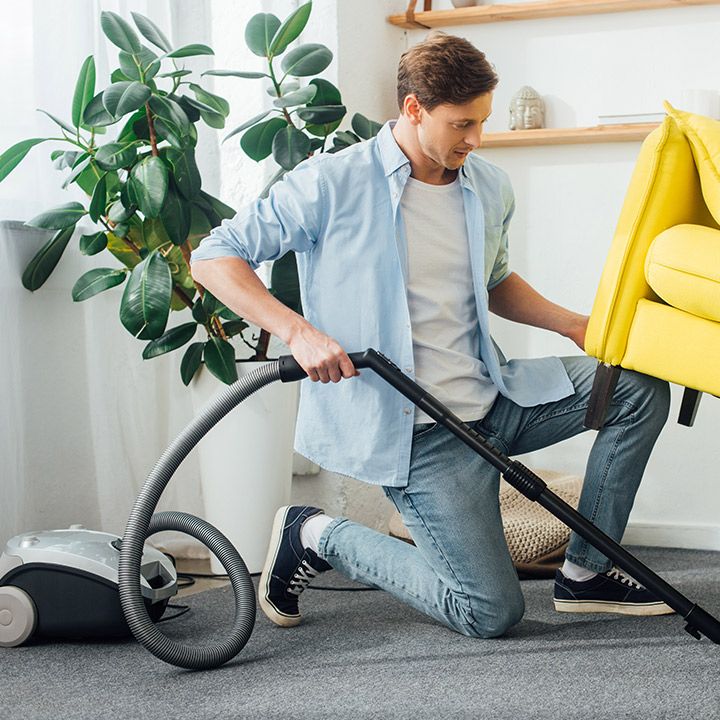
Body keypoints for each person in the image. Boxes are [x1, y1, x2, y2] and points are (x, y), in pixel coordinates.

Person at [190, 32, 672, 638]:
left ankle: (586, 574)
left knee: (638, 387)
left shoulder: (488, 185)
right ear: (414, 108)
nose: (476, 139)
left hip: (496, 398)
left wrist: (575, 325)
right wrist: (297, 332)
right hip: (419, 432)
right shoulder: (330, 183)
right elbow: (214, 257)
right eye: (461, 124)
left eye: (483, 122)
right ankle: (314, 533)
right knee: (490, 612)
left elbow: (493, 281)